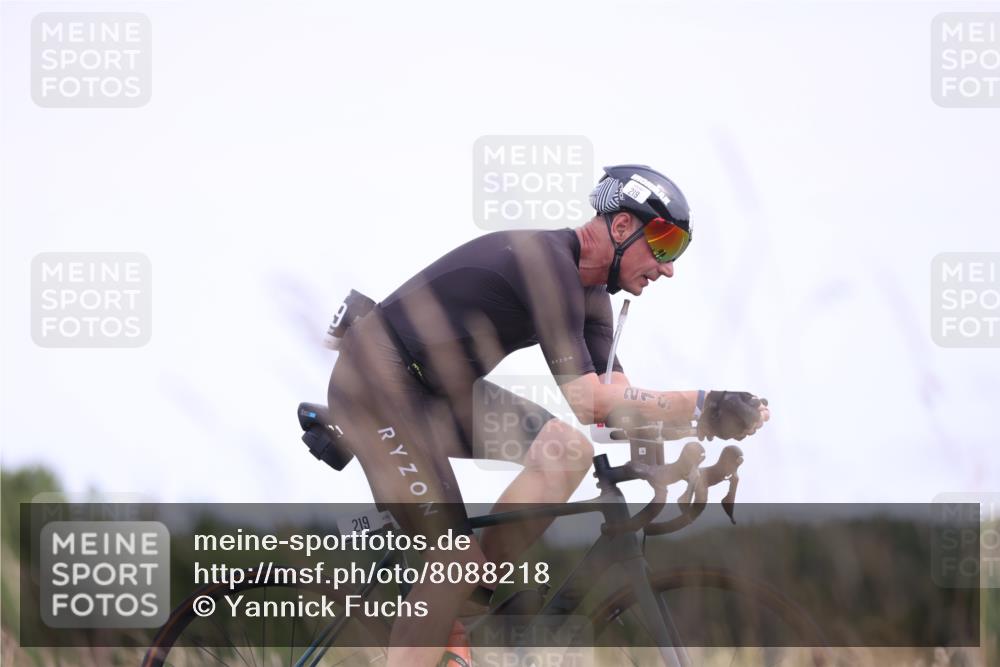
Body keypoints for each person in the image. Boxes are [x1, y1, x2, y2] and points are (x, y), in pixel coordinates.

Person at [326, 164, 770, 666]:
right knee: (453, 561)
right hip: (376, 384)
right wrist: (706, 402)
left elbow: (618, 405)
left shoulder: (592, 296)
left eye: (678, 251)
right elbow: (588, 400)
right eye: (665, 244)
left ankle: (464, 602)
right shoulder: (548, 265)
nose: (668, 268)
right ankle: (453, 590)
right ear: (622, 225)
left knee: (566, 451)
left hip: (433, 393)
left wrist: (694, 434)